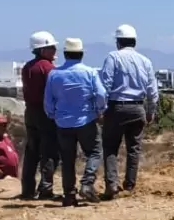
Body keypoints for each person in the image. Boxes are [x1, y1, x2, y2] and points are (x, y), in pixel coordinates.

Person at [99, 24, 159, 199]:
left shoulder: (113, 57)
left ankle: (111, 184)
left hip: (116, 107)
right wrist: (150, 111)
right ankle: (130, 184)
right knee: (134, 148)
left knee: (110, 147)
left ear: (118, 42)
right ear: (135, 42)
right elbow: (152, 91)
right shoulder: (145, 61)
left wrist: (101, 109)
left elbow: (105, 86)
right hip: (137, 108)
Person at [44, 38, 107, 206]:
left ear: (65, 54)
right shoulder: (90, 72)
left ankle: (69, 195)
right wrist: (100, 110)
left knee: (67, 159)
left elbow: (48, 101)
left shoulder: (54, 74)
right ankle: (87, 183)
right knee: (94, 152)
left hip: (63, 123)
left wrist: (53, 115)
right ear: (81, 54)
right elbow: (101, 94)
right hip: (86, 120)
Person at [21, 31, 60, 200]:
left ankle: (27, 189)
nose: (54, 51)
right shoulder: (48, 68)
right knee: (49, 151)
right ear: (43, 50)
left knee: (32, 152)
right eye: (52, 47)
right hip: (45, 114)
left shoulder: (27, 67)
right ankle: (45, 188)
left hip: (30, 112)